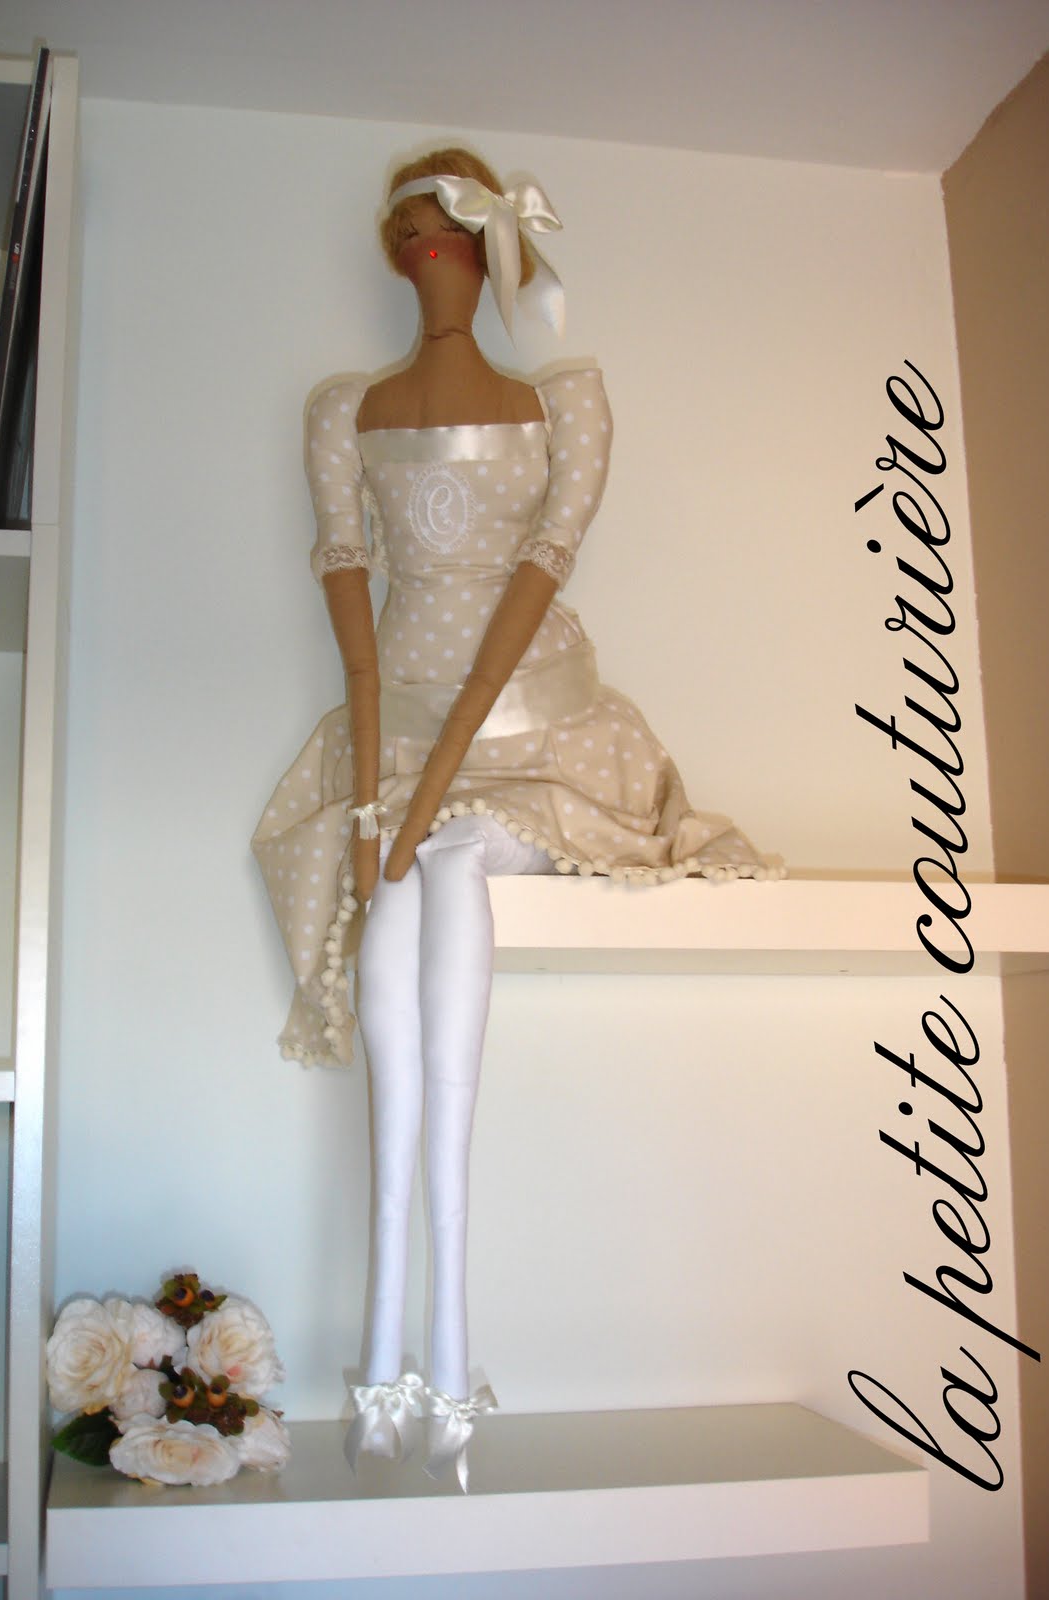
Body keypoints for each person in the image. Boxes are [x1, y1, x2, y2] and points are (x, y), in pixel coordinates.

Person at [252, 147, 779, 1489]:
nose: (433, 267)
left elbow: (526, 602)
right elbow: (357, 629)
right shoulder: (345, 412)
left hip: (541, 733)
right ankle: (392, 1344)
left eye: (451, 244)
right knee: (399, 896)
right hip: (400, 733)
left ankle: (442, 1340)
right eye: (416, 247)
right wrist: (368, 800)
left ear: (487, 253)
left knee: (452, 864)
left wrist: (425, 792)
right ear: (399, 259)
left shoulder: (564, 406)